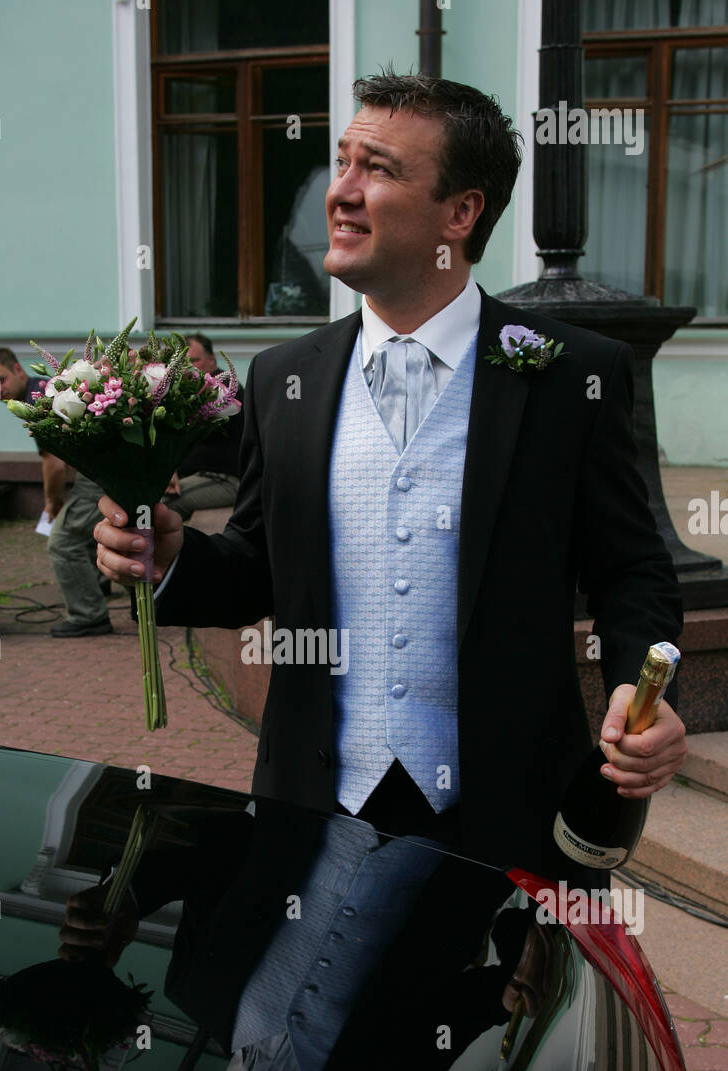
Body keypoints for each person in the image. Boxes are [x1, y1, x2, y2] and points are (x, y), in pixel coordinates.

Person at [94, 70, 687, 884]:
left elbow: (634, 571)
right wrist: (169, 562)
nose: (339, 193)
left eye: (377, 169)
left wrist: (640, 688)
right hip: (318, 806)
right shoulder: (283, 380)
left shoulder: (571, 376)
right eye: (341, 163)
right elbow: (258, 566)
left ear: (460, 212)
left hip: (506, 819)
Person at [0, 346, 113, 637]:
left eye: (0, 379)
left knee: (62, 542)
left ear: (17, 369)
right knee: (87, 527)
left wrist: (52, 503)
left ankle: (89, 614)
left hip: (101, 475)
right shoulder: (43, 388)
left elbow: (53, 466)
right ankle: (99, 584)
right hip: (107, 469)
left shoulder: (36, 401)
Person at [163, 333, 245, 521]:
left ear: (211, 360)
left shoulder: (223, 388)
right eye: (183, 362)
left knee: (160, 506)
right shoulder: (186, 390)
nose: (188, 367)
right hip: (199, 477)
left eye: (194, 360)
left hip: (224, 480)